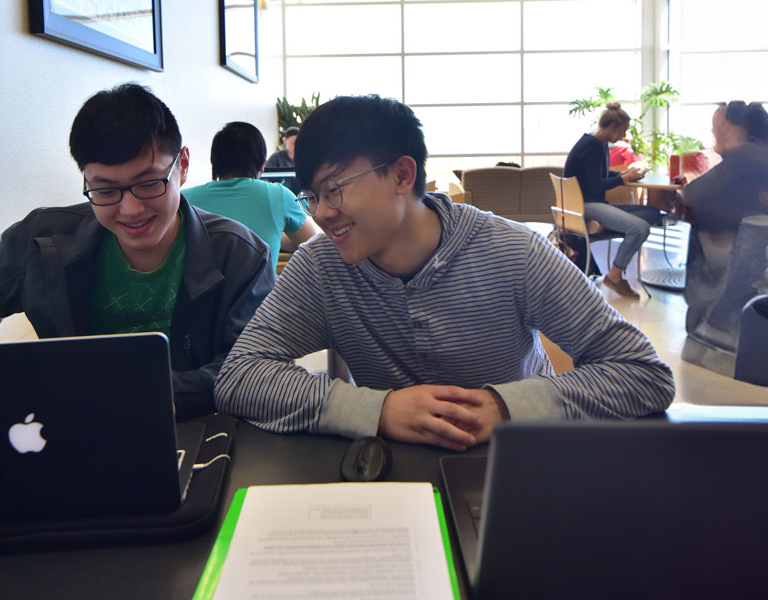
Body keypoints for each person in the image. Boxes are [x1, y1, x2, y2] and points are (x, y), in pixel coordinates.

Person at [214, 95, 675, 451]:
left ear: (402, 175)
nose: (323, 213)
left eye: (333, 190)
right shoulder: (321, 267)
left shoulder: (513, 253)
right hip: (394, 477)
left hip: (514, 467)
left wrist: (508, 407)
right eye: (312, 196)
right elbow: (240, 377)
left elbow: (643, 374)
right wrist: (376, 410)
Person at [0, 83, 275, 420]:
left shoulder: (241, 255)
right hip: (65, 438)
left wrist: (124, 396)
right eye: (105, 190)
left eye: (148, 184)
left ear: (182, 166)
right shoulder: (39, 241)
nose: (130, 210)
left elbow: (248, 370)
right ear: (85, 179)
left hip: (197, 435)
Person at [681, 101, 768, 356]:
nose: (714, 134)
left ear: (737, 130)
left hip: (728, 321)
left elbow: (691, 198)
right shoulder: (756, 156)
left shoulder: (745, 158)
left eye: (718, 128)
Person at [183, 121, 318, 268]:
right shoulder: (278, 196)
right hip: (263, 291)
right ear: (262, 163)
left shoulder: (183, 200)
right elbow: (315, 244)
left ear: (214, 162)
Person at [563, 102, 663, 298]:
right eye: (623, 130)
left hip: (591, 203)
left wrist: (624, 174)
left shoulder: (597, 143)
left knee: (653, 213)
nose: (624, 135)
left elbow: (596, 175)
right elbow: (596, 185)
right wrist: (623, 178)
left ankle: (620, 227)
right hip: (585, 206)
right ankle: (615, 275)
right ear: (612, 127)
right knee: (640, 228)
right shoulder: (592, 146)